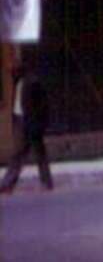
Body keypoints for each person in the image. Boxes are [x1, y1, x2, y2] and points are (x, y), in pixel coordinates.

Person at [1, 63, 53, 193]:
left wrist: (40, 124)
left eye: (14, 71)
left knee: (39, 153)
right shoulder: (17, 84)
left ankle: (46, 182)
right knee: (19, 153)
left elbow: (43, 105)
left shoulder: (33, 83)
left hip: (32, 123)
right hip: (21, 121)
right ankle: (8, 184)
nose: (12, 74)